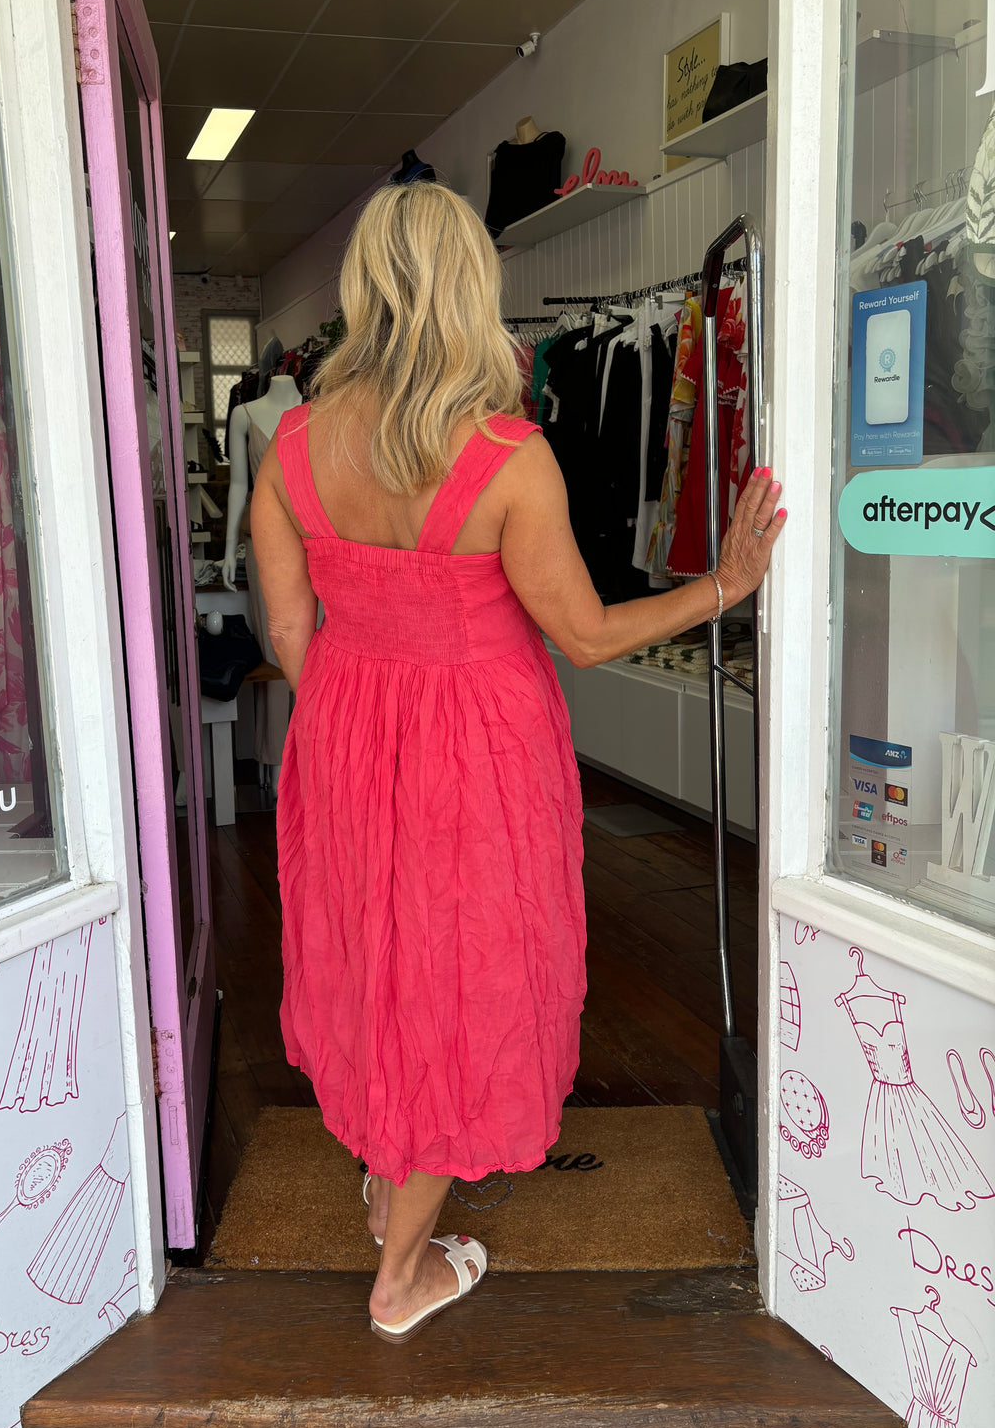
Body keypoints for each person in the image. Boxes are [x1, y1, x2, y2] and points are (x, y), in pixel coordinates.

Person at [250, 182, 785, 1344]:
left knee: (374, 958)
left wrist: (360, 707)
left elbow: (289, 633)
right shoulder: (507, 457)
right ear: (468, 291)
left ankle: (388, 1170)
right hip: (477, 757)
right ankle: (401, 1277)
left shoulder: (290, 446)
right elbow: (584, 635)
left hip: (343, 734)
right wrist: (723, 587)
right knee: (460, 977)